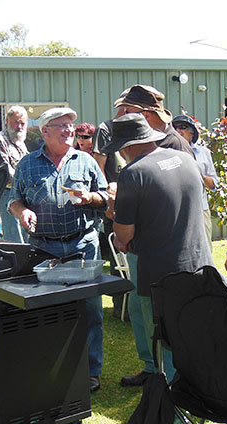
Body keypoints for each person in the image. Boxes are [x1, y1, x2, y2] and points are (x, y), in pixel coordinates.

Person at [109, 114, 213, 397]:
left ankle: (174, 409)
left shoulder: (133, 173)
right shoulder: (186, 159)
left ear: (125, 146)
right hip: (198, 262)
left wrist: (114, 211)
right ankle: (186, 388)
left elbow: (125, 236)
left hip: (158, 270)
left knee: (164, 337)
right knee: (187, 332)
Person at [9, 107, 109, 393]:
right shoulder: (27, 164)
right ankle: (54, 366)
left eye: (71, 126)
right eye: (62, 126)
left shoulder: (85, 161)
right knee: (48, 311)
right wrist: (23, 213)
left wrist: (89, 197)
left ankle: (91, 371)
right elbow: (15, 200)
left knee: (90, 310)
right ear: (45, 132)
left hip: (83, 245)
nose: (69, 131)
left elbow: (104, 197)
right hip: (44, 249)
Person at [92, 120, 127, 320]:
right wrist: (108, 202)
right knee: (118, 255)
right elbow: (99, 167)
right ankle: (121, 307)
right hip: (114, 203)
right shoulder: (106, 129)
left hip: (133, 202)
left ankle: (130, 307)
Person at [173, 114, 218, 250]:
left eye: (183, 127)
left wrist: (198, 175)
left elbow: (214, 184)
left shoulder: (203, 152)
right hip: (175, 210)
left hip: (200, 208)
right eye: (174, 128)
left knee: (205, 249)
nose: (177, 130)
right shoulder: (166, 152)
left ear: (192, 133)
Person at [113, 84, 194, 158]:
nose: (125, 116)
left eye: (128, 112)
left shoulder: (178, 148)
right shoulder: (147, 141)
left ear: (146, 115)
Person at [0, 105, 28, 243]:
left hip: (22, 192)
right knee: (13, 233)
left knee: (26, 230)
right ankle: (16, 263)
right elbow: (4, 170)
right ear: (7, 121)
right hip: (6, 193)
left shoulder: (20, 142)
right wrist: (27, 183)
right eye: (16, 122)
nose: (19, 126)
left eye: (22, 123)